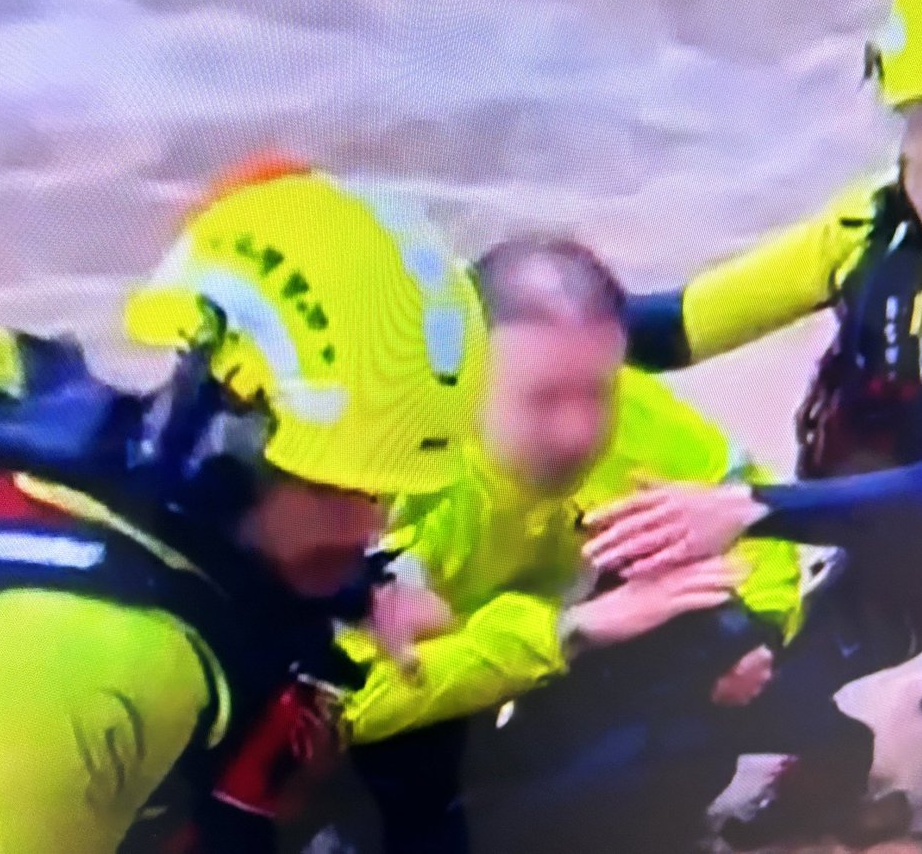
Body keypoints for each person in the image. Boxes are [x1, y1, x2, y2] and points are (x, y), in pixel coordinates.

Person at [599, 0, 922, 848]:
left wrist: (749, 510)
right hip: (892, 563)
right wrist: (510, 315)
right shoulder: (864, 228)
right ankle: (836, 770)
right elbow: (676, 329)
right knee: (747, 690)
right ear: (894, 101)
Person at [0, 160, 487, 853]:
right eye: (329, 488)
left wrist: (364, 589)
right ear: (224, 431)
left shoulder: (162, 460)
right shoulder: (105, 678)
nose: (368, 524)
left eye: (379, 490)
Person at [329, 237, 801, 853]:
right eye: (544, 399)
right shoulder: (392, 472)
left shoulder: (632, 418)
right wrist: (567, 630)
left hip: (546, 681)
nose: (580, 431)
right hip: (423, 720)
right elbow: (344, 707)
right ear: (467, 376)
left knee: (693, 701)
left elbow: (746, 499)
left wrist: (756, 633)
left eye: (597, 391)